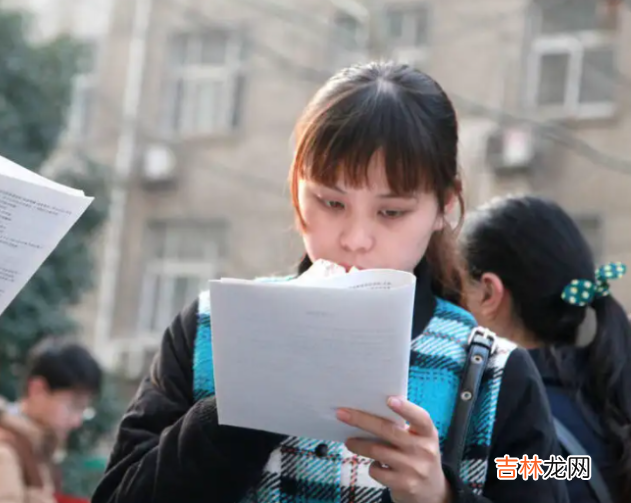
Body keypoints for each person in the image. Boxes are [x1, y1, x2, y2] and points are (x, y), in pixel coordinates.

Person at [92, 62, 566, 503]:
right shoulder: (211, 330)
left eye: (392, 212)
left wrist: (442, 493)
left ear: (444, 206)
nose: (356, 239)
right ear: (297, 188)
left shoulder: (495, 373)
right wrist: (239, 405)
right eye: (331, 202)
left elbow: (560, 475)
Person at [460, 194, 631, 503]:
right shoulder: (607, 393)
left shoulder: (510, 415)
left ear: (489, 293)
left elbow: (549, 472)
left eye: (454, 288)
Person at [0, 338, 102, 503]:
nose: (77, 421)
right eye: (73, 406)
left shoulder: (37, 448)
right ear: (37, 389)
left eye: (84, 409)